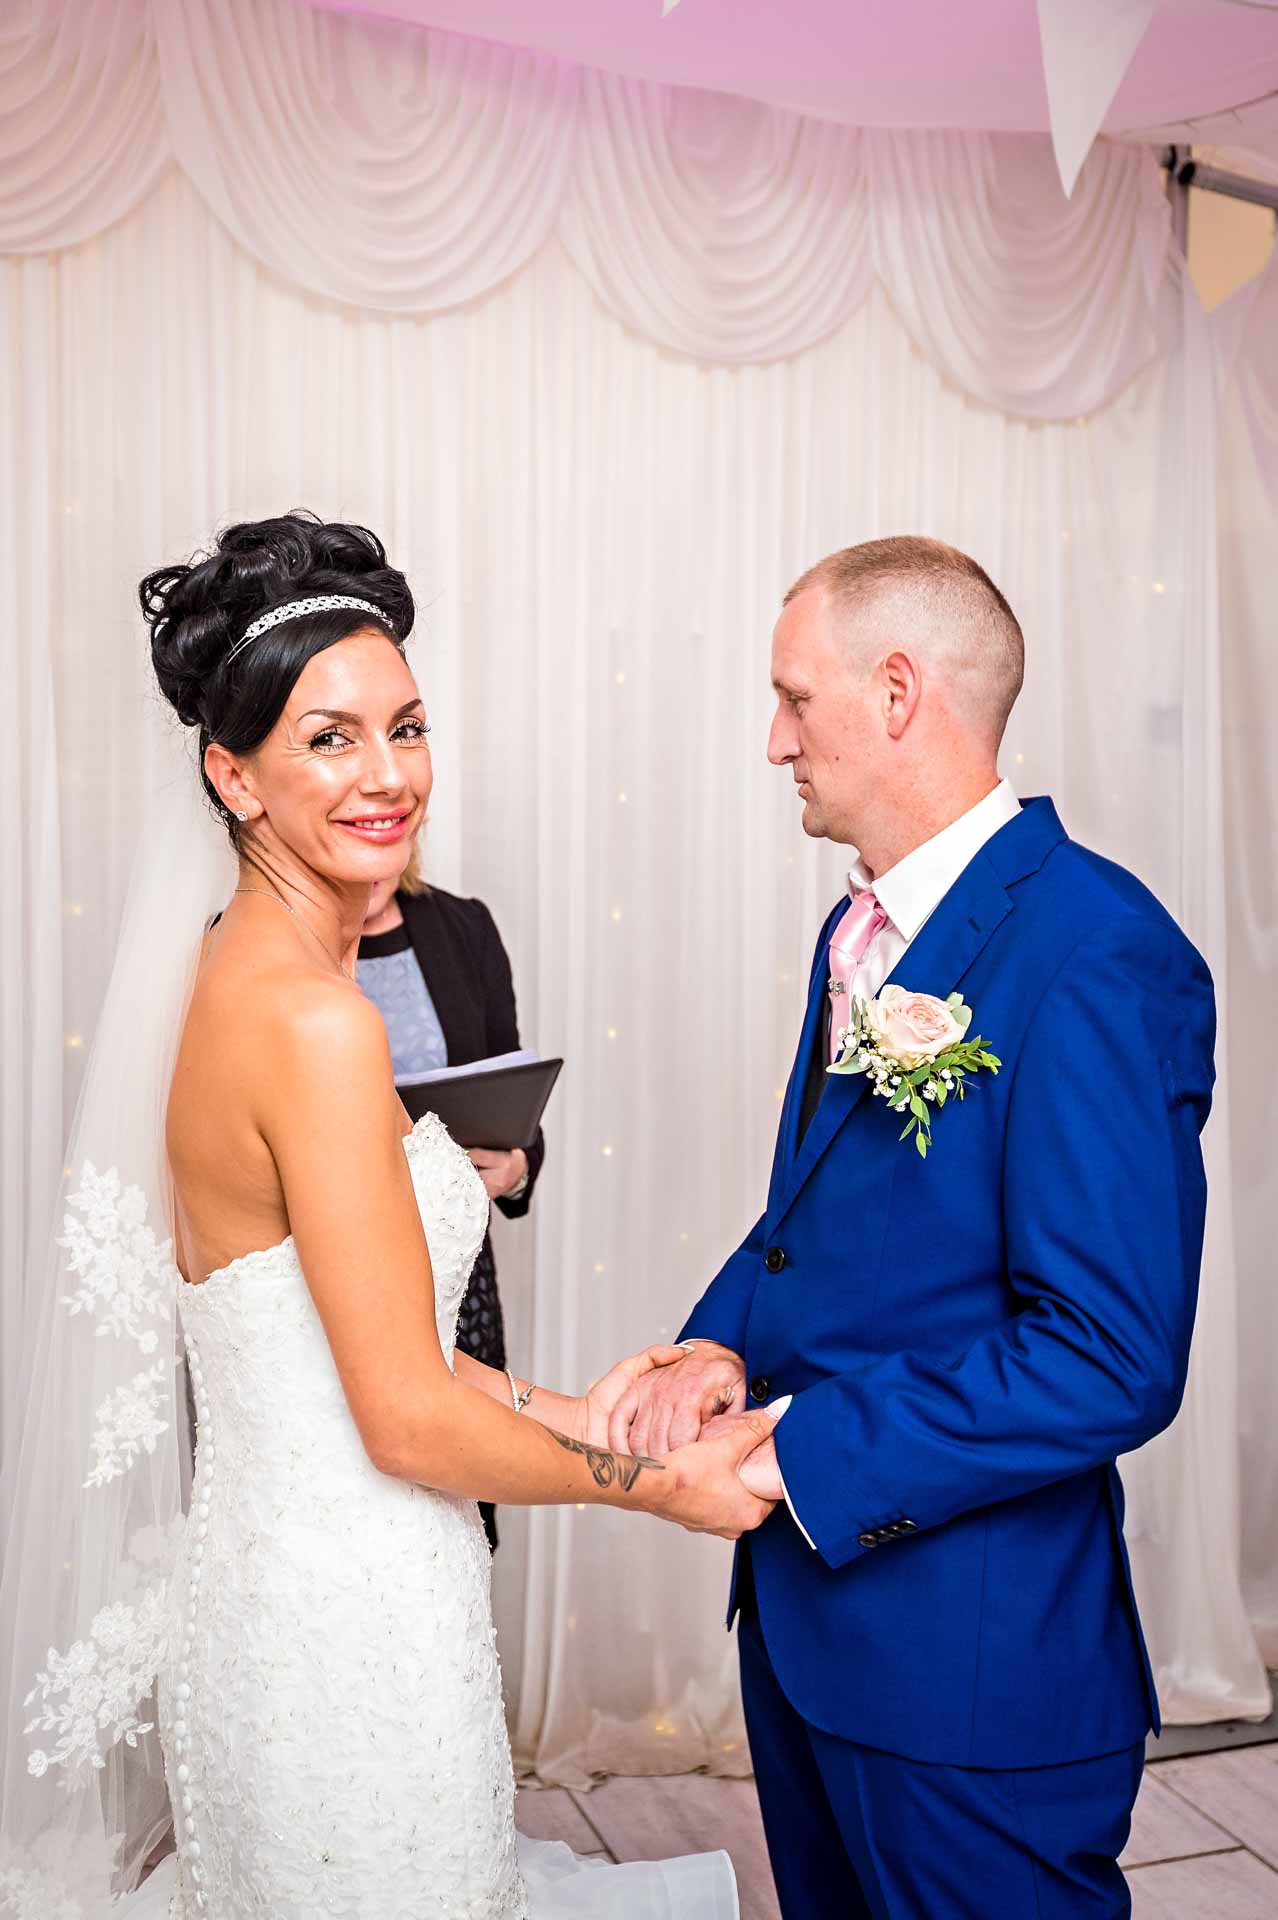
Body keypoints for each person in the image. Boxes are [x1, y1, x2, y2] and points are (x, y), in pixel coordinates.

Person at [3, 513, 769, 1918]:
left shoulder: (225, 972)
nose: (388, 775)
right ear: (232, 777)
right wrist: (663, 1487)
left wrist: (579, 1411)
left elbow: (349, 1347)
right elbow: (403, 1418)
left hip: (306, 1591)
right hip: (342, 1631)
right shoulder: (313, 1026)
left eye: (405, 728)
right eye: (330, 738)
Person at [613, 536, 1214, 1919]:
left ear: (896, 694)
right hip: (813, 1633)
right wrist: (717, 1344)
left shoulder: (1091, 949)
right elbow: (827, 1211)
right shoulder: (865, 930)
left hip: (968, 1674)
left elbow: (1109, 1354)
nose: (774, 742)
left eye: (793, 698)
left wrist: (795, 1458)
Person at [358, 845, 545, 1549]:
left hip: (456, 1284)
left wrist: (516, 1167)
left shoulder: (462, 928)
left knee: (455, 1522)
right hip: (328, 1276)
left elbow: (512, 1094)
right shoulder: (257, 944)